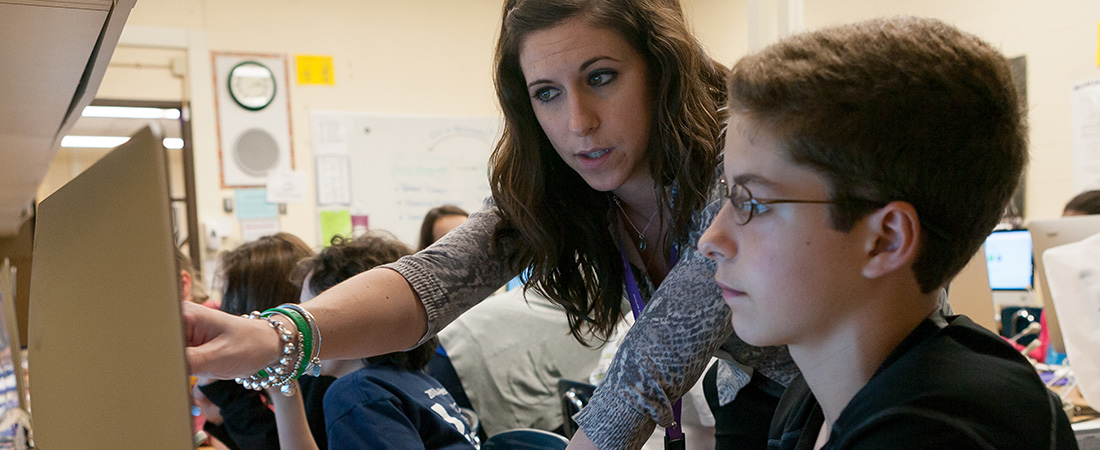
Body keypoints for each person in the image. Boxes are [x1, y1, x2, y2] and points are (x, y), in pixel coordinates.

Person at [182, 1, 797, 448]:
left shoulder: (733, 157)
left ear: (660, 66)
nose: (577, 120)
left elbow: (653, 365)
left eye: (601, 77)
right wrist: (271, 338)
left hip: (851, 380)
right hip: (753, 389)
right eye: (546, 93)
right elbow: (435, 278)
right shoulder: (564, 181)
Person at [697, 17, 1077, 448]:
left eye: (754, 203)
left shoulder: (942, 430)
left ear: (886, 240)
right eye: (728, 194)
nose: (710, 239)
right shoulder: (810, 401)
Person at [290, 233, 478, 449]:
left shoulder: (357, 393)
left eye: (310, 313)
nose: (299, 332)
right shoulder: (413, 382)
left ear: (354, 318)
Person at [194, 233, 333, 450]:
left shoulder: (318, 374)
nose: (226, 311)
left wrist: (226, 398)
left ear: (256, 304)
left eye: (230, 297)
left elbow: (272, 443)